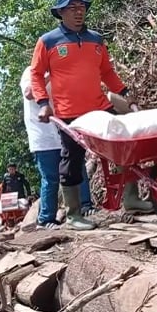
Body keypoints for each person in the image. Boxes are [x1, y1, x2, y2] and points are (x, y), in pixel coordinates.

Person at [30, 0, 152, 231]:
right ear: (60, 12)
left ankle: (130, 198)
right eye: (72, 8)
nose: (78, 12)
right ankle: (74, 213)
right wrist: (43, 103)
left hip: (100, 107)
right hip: (69, 113)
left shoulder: (96, 39)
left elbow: (107, 72)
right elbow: (36, 74)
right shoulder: (48, 41)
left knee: (125, 143)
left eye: (81, 7)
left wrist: (126, 95)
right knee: (72, 159)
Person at [19, 66, 98, 230]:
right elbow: (29, 93)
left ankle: (86, 206)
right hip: (43, 136)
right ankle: (46, 218)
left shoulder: (63, 69)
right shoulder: (31, 72)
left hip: (66, 131)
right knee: (51, 177)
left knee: (78, 168)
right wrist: (50, 75)